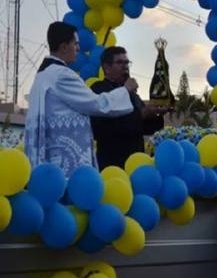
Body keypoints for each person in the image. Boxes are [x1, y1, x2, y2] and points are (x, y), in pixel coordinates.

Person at [24, 22, 135, 177]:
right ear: (63, 47)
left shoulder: (43, 75)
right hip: (66, 165)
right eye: (75, 44)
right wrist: (125, 90)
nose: (78, 49)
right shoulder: (62, 75)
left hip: (49, 158)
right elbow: (97, 104)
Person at [91, 46, 166, 169]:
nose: (125, 66)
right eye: (120, 62)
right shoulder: (99, 89)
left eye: (127, 62)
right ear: (107, 68)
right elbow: (104, 127)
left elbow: (145, 128)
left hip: (136, 162)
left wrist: (156, 113)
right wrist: (142, 114)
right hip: (113, 163)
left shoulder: (132, 94)